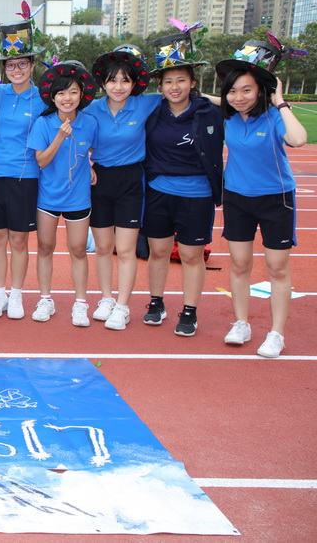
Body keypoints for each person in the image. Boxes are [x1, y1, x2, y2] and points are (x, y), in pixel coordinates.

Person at [215, 38, 308, 357]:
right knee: (240, 264)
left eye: (247, 90)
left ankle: (276, 333)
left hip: (276, 199)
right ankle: (241, 323)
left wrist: (281, 102)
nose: (239, 97)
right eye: (232, 91)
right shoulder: (228, 115)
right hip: (237, 198)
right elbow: (211, 99)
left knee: (277, 267)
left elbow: (299, 139)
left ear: (261, 91)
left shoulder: (273, 116)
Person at [141, 26, 223, 337]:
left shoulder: (209, 112)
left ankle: (189, 311)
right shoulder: (153, 110)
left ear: (193, 83)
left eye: (181, 80)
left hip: (197, 194)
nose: (174, 87)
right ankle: (156, 302)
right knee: (158, 252)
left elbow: (241, 104)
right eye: (168, 82)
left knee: (191, 255)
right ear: (160, 86)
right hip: (159, 192)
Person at [0, 9, 46, 319]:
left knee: (19, 239)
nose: (16, 70)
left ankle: (17, 295)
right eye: (10, 65)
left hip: (26, 177)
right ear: (4, 67)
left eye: (22, 64)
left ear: (32, 65)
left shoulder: (44, 98)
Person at [87, 45, 155, 330]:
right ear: (103, 83)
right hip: (99, 180)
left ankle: (123, 306)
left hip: (131, 181)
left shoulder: (147, 104)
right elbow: (73, 136)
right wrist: (86, 164)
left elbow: (184, 94)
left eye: (125, 80)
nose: (118, 86)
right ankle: (106, 299)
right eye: (112, 80)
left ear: (134, 83)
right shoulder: (91, 108)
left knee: (126, 249)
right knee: (103, 248)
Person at [28, 62, 99, 327]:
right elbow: (42, 161)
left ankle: (80, 303)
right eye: (61, 93)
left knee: (78, 249)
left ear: (82, 95)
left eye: (73, 92)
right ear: (52, 96)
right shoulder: (43, 123)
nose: (67, 98)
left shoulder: (90, 123)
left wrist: (91, 166)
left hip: (78, 196)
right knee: (45, 247)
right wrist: (59, 137)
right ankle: (45, 299)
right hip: (48, 196)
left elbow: (94, 150)